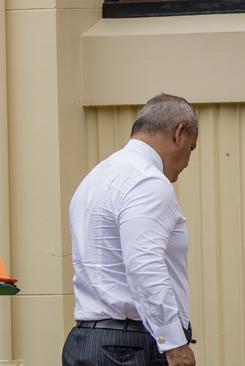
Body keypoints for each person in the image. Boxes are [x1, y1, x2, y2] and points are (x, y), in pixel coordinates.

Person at [62, 94, 197, 366]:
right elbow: (144, 265)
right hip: (130, 348)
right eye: (191, 149)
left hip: (86, 342)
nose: (187, 162)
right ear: (179, 133)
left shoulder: (95, 178)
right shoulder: (148, 181)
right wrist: (174, 344)